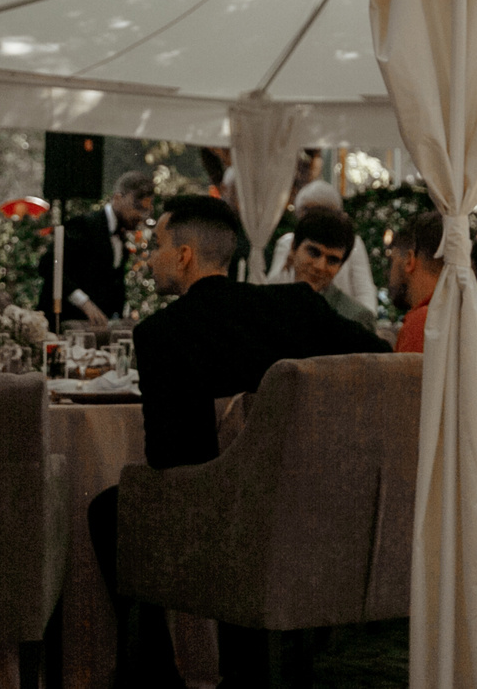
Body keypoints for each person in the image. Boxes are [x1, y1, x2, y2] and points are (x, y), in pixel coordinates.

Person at [87, 196, 386, 683]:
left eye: (158, 245)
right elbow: (378, 358)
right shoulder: (295, 306)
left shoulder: (163, 333)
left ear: (184, 256)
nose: (150, 257)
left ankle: (155, 676)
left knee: (110, 508)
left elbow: (173, 458)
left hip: (224, 519)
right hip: (318, 507)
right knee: (241, 505)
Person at [41, 168, 155, 327]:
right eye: (137, 207)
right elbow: (47, 264)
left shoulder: (121, 236)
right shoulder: (84, 225)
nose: (141, 216)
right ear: (117, 198)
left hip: (99, 331)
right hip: (66, 324)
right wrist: (84, 302)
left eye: (146, 210)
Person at [264, 180, 379, 308]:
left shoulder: (350, 243)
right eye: (306, 210)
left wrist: (363, 321)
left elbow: (364, 290)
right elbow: (272, 288)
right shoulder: (288, 242)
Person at [277, 201, 382, 334]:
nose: (320, 266)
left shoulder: (355, 318)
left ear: (341, 266)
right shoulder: (271, 305)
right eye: (313, 252)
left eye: (332, 260)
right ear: (293, 248)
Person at [387, 207, 445, 353]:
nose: (390, 272)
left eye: (392, 260)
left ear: (409, 260)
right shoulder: (460, 313)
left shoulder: (423, 323)